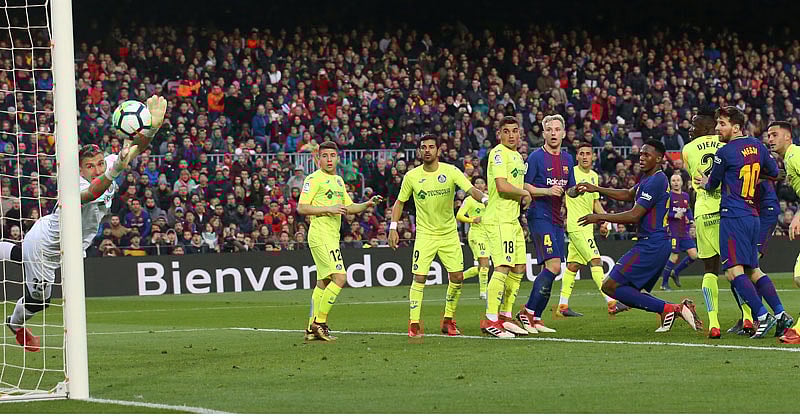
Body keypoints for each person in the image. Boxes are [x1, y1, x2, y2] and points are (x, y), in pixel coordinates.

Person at [3, 144, 134, 351]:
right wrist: (117, 167)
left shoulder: (107, 166)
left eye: (100, 163)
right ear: (80, 170)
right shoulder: (76, 186)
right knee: (39, 302)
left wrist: (149, 131)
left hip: (58, 241)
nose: (97, 170)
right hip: (44, 248)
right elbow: (92, 192)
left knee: (20, 254)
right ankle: (15, 323)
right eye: (89, 166)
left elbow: (133, 149)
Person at [578, 140, 702, 333]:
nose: (641, 158)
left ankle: (668, 308)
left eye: (647, 155)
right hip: (655, 243)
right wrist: (597, 189)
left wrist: (600, 216)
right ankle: (675, 309)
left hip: (651, 244)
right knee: (634, 291)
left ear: (659, 159)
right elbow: (628, 194)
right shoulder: (648, 179)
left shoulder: (656, 180)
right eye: (641, 154)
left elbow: (635, 214)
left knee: (609, 286)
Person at [695, 106, 792, 339]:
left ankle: (761, 315)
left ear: (736, 127)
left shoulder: (724, 152)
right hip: (753, 214)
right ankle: (780, 314)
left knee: (732, 271)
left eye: (722, 124)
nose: (718, 128)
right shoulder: (758, 146)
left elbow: (713, 184)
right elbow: (772, 171)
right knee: (754, 269)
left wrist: (705, 181)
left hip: (733, 215)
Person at [388, 134, 487, 338]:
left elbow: (470, 190)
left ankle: (448, 320)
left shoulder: (450, 171)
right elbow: (399, 202)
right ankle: (414, 323)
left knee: (457, 277)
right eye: (423, 147)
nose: (427, 150)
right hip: (425, 235)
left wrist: (486, 200)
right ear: (419, 151)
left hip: (449, 234)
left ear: (438, 150)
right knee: (420, 277)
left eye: (431, 147)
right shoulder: (412, 176)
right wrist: (392, 227)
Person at [300, 141, 383, 342]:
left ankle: (311, 328)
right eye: (325, 156)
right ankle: (319, 323)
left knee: (324, 281)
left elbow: (348, 207)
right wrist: (328, 209)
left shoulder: (338, 180)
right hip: (320, 233)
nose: (329, 160)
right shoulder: (313, 179)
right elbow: (302, 208)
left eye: (332, 156)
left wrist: (367, 204)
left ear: (338, 158)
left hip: (331, 236)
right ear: (317, 158)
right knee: (340, 277)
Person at [516, 114, 576, 333]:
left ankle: (537, 318)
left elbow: (569, 188)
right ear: (543, 133)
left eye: (557, 129)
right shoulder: (535, 158)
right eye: (549, 129)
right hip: (539, 214)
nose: (553, 133)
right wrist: (547, 191)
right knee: (554, 266)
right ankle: (527, 312)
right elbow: (525, 185)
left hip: (557, 219)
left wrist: (576, 191)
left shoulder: (568, 159)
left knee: (551, 269)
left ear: (563, 133)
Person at [480, 116, 538, 338]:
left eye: (515, 131)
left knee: (519, 267)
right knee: (503, 267)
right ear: (500, 134)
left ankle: (505, 316)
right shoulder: (498, 153)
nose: (511, 135)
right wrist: (525, 193)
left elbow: (520, 185)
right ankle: (490, 319)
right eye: (507, 131)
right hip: (498, 219)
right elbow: (502, 186)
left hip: (512, 220)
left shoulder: (516, 156)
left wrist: (534, 192)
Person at [559, 141, 627, 317]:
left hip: (587, 227)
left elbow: (595, 203)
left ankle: (563, 306)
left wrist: (604, 221)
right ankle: (611, 302)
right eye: (581, 153)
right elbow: (565, 195)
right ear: (577, 156)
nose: (584, 156)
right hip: (577, 225)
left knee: (573, 266)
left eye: (588, 153)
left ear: (593, 156)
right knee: (596, 260)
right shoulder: (571, 173)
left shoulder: (594, 176)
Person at [681, 112, 727, 338]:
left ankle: (714, 322)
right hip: (729, 210)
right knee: (737, 268)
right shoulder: (725, 142)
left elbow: (695, 182)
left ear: (707, 126)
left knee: (710, 269)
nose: (690, 128)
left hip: (705, 211)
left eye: (694, 124)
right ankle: (749, 319)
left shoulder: (688, 149)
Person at [765, 121, 800, 343]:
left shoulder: (795, 155)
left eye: (775, 134)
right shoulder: (789, 160)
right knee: (799, 277)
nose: (770, 138)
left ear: (788, 137)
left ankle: (798, 330)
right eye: (768, 135)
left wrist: (798, 215)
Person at [660, 174, 697, 291]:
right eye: (673, 180)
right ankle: (664, 284)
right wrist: (673, 215)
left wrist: (691, 220)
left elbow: (688, 210)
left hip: (684, 231)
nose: (676, 182)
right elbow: (663, 212)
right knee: (674, 256)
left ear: (682, 182)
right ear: (671, 183)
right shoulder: (668, 196)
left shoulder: (685, 196)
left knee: (694, 255)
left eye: (678, 180)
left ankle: (675, 272)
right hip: (673, 231)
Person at [456, 176, 490, 300]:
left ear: (485, 185)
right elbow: (459, 215)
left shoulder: (490, 199)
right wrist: (472, 220)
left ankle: (461, 276)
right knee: (485, 263)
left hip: (489, 235)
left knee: (483, 267)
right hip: (476, 234)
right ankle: (483, 293)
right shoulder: (469, 200)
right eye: (477, 183)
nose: (480, 185)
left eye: (482, 183)